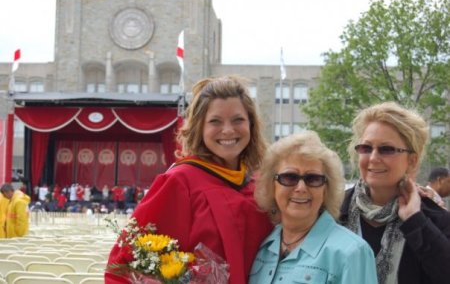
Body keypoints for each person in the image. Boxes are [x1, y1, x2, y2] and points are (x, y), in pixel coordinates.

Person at [106, 75, 273, 284]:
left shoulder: (261, 186)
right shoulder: (179, 182)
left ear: (251, 125)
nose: (228, 130)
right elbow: (125, 265)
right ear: (200, 128)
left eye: (238, 120)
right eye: (215, 121)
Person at [340, 102, 450, 284]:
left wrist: (415, 221)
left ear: (412, 161)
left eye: (387, 149)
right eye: (366, 148)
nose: (374, 158)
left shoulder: (436, 221)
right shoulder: (333, 212)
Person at [249, 131, 377, 284]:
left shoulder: (351, 252)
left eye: (313, 179)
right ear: (272, 185)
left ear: (326, 189)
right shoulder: (263, 247)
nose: (301, 188)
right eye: (290, 177)